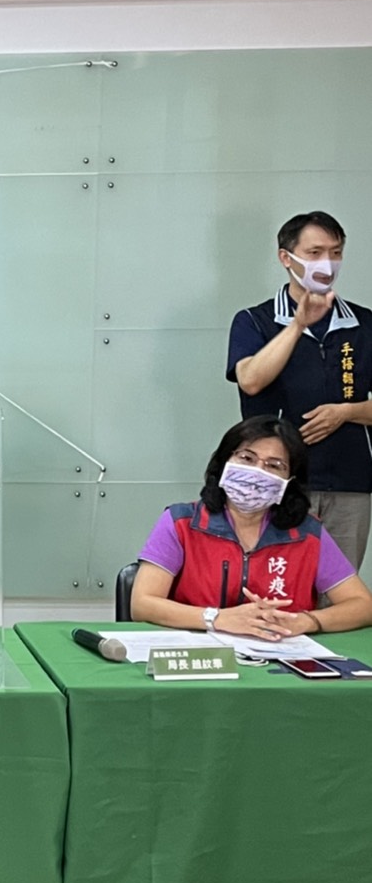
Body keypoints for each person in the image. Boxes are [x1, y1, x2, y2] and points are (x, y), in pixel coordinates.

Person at [132, 415, 372, 640]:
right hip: (200, 653)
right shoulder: (181, 522)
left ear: (289, 482)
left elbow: (363, 606)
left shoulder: (307, 533)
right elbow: (142, 604)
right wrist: (217, 618)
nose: (258, 472)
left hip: (279, 655)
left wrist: (307, 621)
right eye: (247, 458)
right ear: (224, 462)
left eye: (274, 466)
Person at [229, 210, 372, 569]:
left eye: (336, 252)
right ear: (286, 257)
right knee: (277, 579)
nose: (327, 263)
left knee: (338, 585)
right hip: (276, 477)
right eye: (315, 252)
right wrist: (297, 325)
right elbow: (250, 380)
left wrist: (347, 412)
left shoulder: (364, 323)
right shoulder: (255, 320)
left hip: (350, 481)